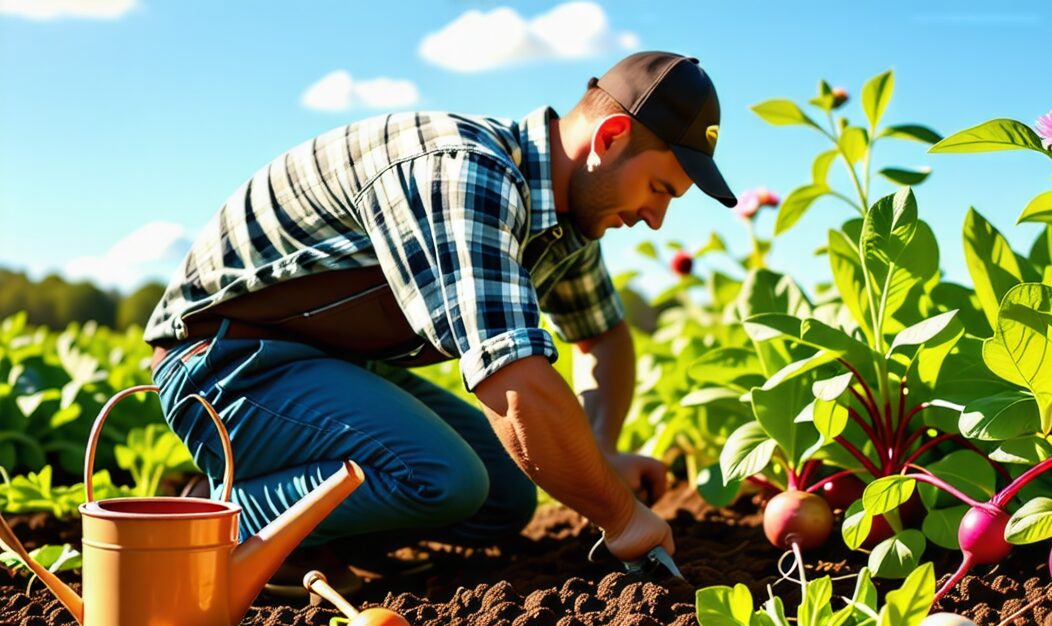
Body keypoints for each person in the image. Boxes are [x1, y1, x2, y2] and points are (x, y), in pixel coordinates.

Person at [142, 51, 736, 589]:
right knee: (442, 477)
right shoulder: (465, 172)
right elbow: (513, 382)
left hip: (321, 364)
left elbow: (602, 336)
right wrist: (621, 516)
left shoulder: (565, 220)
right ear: (610, 137)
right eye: (660, 188)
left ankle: (314, 530)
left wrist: (600, 452)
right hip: (219, 362)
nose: (656, 218)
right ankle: (216, 516)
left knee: (504, 499)